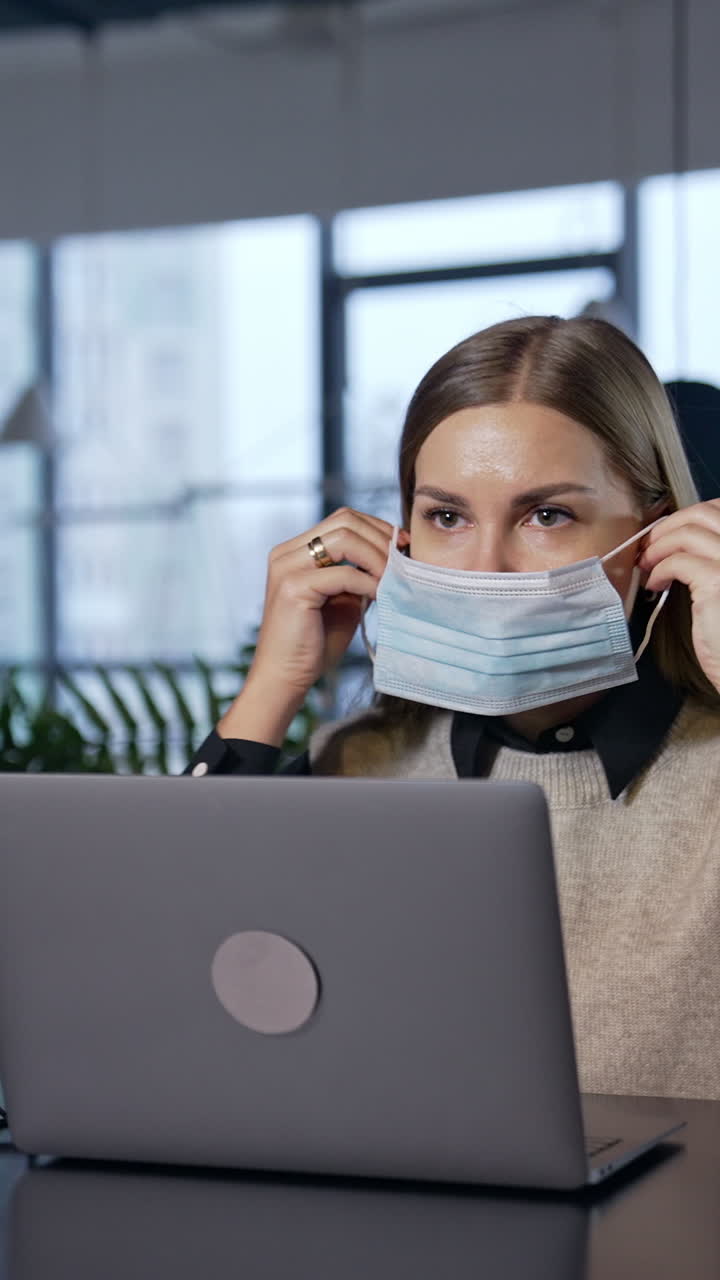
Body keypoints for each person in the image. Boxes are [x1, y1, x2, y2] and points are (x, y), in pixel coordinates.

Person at [187, 315, 720, 1102]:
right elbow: (176, 983)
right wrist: (274, 684)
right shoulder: (355, 767)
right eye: (446, 517)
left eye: (548, 515)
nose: (487, 568)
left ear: (658, 530)